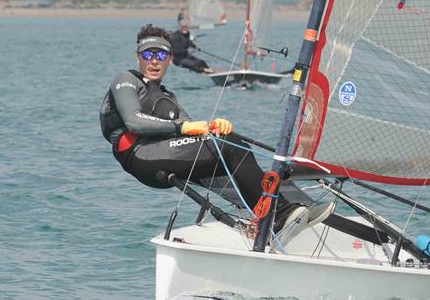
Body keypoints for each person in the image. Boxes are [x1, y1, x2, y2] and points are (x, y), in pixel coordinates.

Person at [100, 24, 303, 232]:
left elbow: (194, 133)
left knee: (230, 145)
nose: (154, 60)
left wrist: (215, 127)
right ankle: (278, 216)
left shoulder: (169, 98)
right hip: (139, 155)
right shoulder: (127, 80)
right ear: (138, 57)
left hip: (163, 155)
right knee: (231, 147)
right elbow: (134, 120)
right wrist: (183, 127)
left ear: (170, 59)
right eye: (148, 54)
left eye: (161, 55)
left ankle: (277, 215)